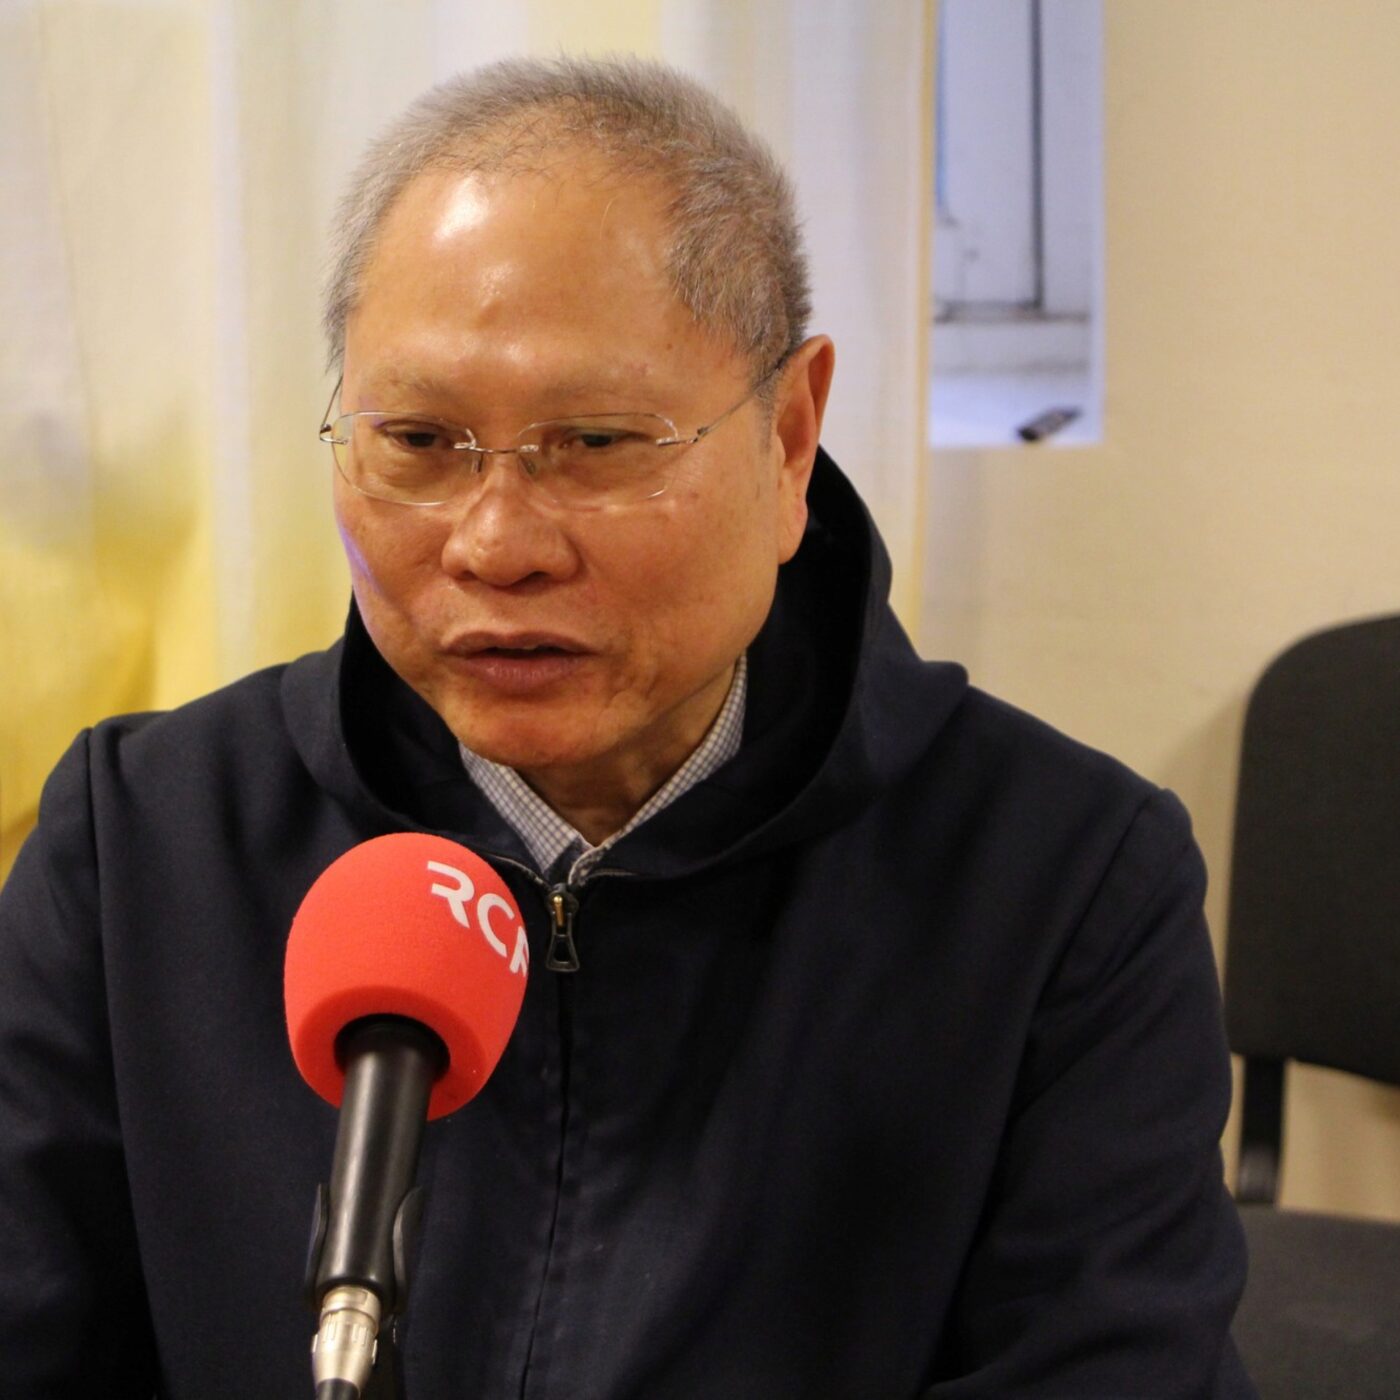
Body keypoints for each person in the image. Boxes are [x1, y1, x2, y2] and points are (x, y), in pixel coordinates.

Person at [0, 56, 1254, 1398]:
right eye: (417, 440)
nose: (496, 545)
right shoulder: (139, 848)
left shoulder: (1060, 886)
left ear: (787, 437)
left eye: (594, 441)